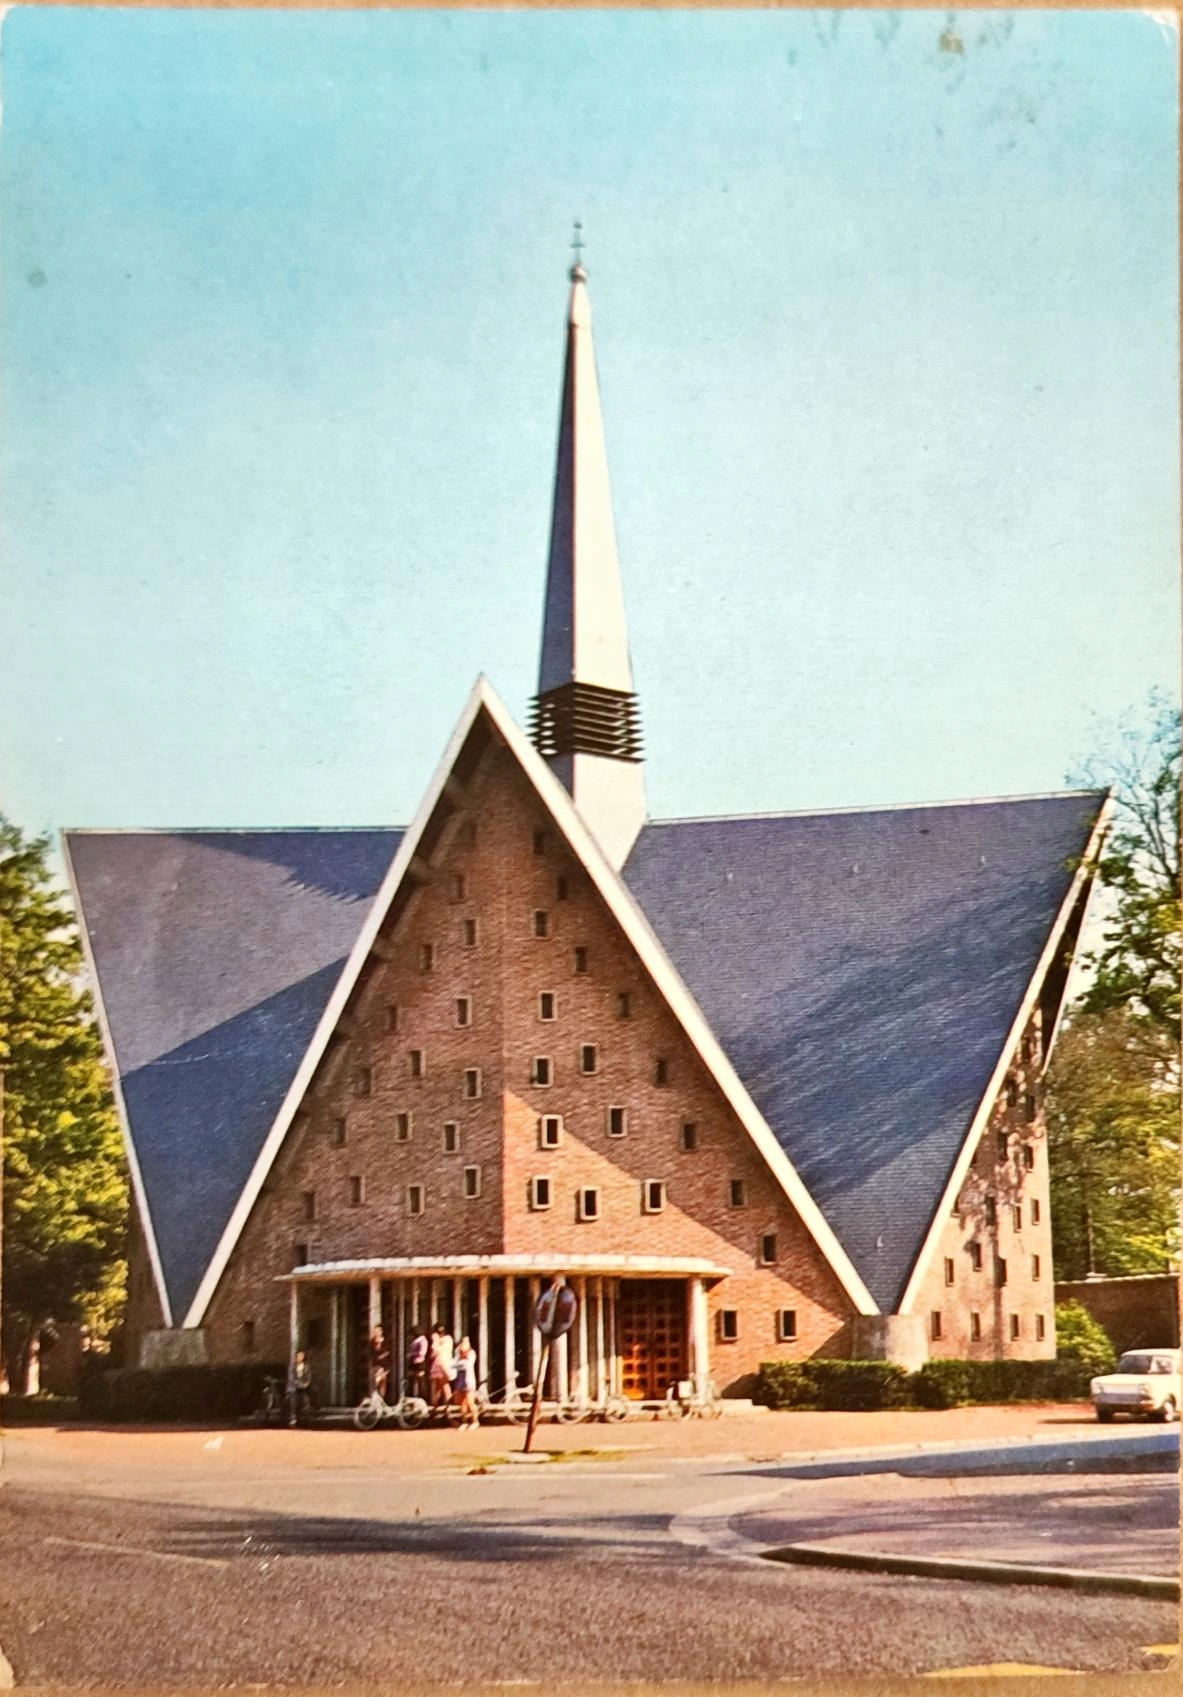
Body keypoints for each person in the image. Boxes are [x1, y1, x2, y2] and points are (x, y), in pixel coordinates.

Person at [452, 1336, 479, 1428]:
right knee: (462, 1403)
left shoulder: (471, 1353)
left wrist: (459, 1364)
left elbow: (468, 1365)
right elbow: (453, 1365)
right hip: (460, 1380)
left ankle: (475, 1422)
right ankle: (465, 1422)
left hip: (468, 1380)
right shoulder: (458, 1352)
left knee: (470, 1402)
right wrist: (460, 1363)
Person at [428, 1324, 454, 1412]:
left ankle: (443, 1402)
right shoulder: (448, 1339)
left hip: (441, 1363)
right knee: (441, 1385)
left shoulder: (445, 1340)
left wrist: (435, 1340)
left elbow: (435, 1350)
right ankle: (438, 1402)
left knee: (442, 1384)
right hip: (445, 1363)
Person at [285, 1349, 313, 1427]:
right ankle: (293, 1419)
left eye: (302, 1356)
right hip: (293, 1388)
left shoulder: (306, 1366)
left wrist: (306, 1384)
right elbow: (291, 1378)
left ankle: (305, 1418)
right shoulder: (292, 1366)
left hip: (304, 1388)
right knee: (293, 1401)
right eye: (299, 1356)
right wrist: (299, 1384)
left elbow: (309, 1377)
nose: (300, 1357)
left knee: (306, 1400)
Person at [368, 1325, 391, 1402]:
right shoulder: (372, 1342)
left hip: (385, 1364)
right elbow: (371, 1353)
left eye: (378, 1330)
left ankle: (381, 1398)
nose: (377, 1332)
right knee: (376, 1378)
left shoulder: (385, 1341)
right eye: (375, 1331)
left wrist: (383, 1355)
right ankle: (375, 1395)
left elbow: (389, 1351)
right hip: (377, 1364)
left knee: (383, 1381)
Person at [407, 1327, 429, 1401]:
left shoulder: (422, 1340)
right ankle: (413, 1395)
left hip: (420, 1362)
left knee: (420, 1380)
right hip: (413, 1362)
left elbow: (422, 1352)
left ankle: (423, 1396)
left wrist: (411, 1354)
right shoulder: (416, 1340)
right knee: (412, 1378)